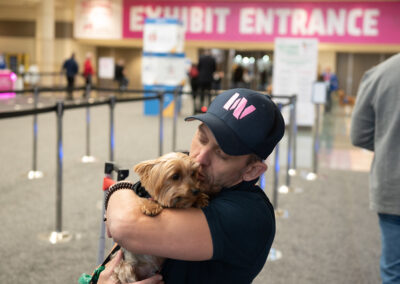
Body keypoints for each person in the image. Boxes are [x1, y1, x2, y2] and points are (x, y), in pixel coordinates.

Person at [100, 88, 285, 284]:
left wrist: (118, 189)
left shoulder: (250, 216)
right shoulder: (190, 168)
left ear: (252, 170)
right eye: (202, 138)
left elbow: (124, 226)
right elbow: (119, 248)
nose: (199, 158)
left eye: (222, 154)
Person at [350, 53, 400, 284]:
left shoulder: (380, 74)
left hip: (393, 184)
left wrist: (388, 146)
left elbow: (360, 135)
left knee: (394, 270)